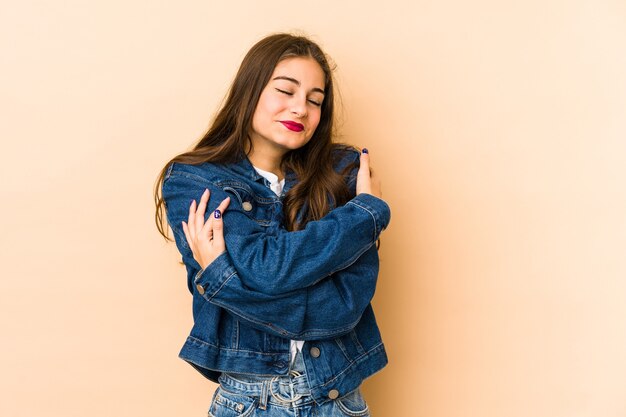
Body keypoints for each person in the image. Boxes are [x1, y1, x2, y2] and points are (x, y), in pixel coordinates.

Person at [154, 33, 391, 417]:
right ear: (250, 90)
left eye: (315, 100)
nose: (301, 109)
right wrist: (367, 213)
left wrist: (224, 283)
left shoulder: (343, 173)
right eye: (286, 91)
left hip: (338, 401)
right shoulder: (194, 180)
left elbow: (345, 306)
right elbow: (268, 268)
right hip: (248, 401)